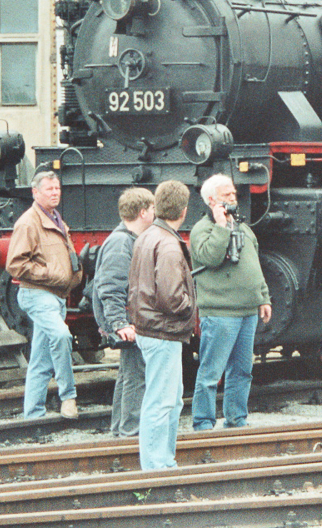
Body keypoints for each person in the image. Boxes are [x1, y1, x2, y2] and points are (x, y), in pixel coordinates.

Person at [190, 174, 272, 430]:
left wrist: (264, 297)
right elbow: (211, 258)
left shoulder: (244, 228)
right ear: (211, 200)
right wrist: (220, 226)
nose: (234, 198)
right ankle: (203, 423)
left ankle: (237, 419)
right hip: (220, 312)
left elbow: (254, 266)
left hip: (247, 311)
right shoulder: (202, 230)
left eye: (234, 194)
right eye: (227, 195)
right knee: (211, 373)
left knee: (242, 370)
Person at [128, 180, 194, 471]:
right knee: (162, 401)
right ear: (183, 210)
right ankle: (156, 466)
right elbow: (171, 297)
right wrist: (190, 307)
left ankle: (163, 461)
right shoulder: (168, 244)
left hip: (152, 328)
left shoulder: (148, 235)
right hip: (164, 330)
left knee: (168, 399)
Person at [6, 169, 83, 419]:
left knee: (40, 360)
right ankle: (68, 397)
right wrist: (52, 274)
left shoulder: (56, 219)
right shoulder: (28, 223)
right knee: (61, 336)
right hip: (38, 294)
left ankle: (33, 414)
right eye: (49, 189)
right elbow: (15, 264)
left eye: (57, 189)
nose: (55, 193)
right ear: (35, 192)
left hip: (56, 296)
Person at [90, 186, 155, 437]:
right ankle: (130, 431)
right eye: (152, 209)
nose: (155, 213)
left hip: (130, 320)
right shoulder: (120, 244)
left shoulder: (126, 240)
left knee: (129, 374)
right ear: (142, 213)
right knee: (136, 376)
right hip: (129, 322)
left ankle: (120, 429)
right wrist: (120, 322)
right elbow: (110, 287)